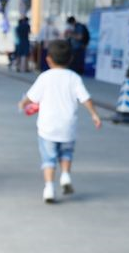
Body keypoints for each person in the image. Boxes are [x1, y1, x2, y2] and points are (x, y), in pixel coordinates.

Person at [18, 39, 101, 203]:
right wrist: (94, 114)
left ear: (48, 59)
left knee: (48, 159)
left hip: (48, 128)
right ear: (70, 59)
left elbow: (31, 97)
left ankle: (49, 188)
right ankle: (65, 176)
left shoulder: (45, 77)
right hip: (67, 127)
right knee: (66, 154)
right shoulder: (74, 78)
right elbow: (86, 98)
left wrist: (22, 103)